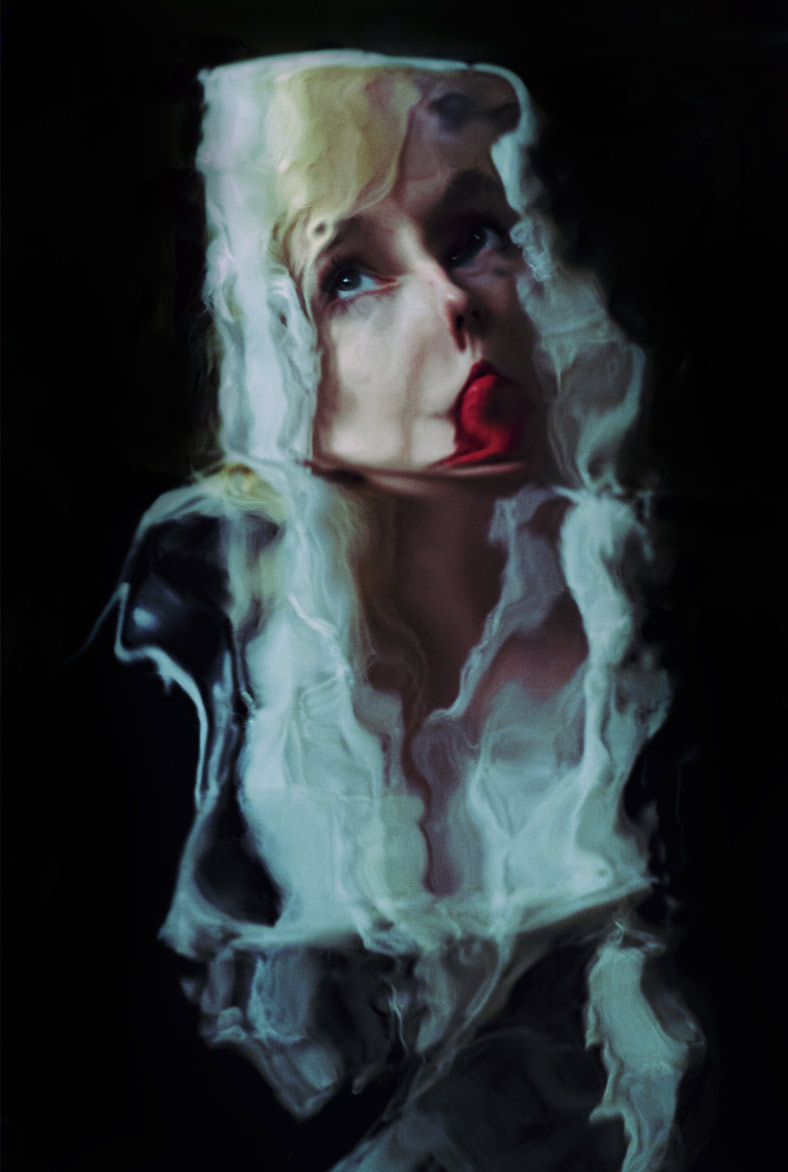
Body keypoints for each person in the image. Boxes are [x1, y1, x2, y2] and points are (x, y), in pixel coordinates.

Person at [113, 50, 698, 1171]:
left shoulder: (660, 621)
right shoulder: (203, 623)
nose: (451, 303)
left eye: (472, 234)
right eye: (349, 277)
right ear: (282, 350)